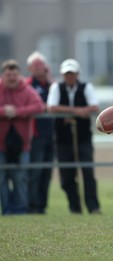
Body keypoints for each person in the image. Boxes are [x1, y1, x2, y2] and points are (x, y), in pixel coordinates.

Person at [47, 58, 101, 214]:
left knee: (88, 173)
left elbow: (94, 105)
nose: (69, 76)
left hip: (83, 137)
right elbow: (51, 107)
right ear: (63, 75)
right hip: (63, 139)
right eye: (66, 74)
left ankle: (93, 207)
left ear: (77, 74)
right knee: (67, 176)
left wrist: (70, 111)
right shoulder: (57, 87)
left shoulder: (86, 87)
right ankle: (74, 207)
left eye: (72, 73)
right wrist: (76, 111)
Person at [0, 59, 45, 215]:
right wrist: (4, 111)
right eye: (8, 74)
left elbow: (39, 106)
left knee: (20, 179)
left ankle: (20, 211)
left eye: (14, 74)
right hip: (1, 145)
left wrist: (18, 112)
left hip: (22, 145)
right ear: (3, 75)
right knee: (2, 180)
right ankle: (7, 210)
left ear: (19, 75)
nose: (11, 77)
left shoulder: (26, 89)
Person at [26, 51, 55, 214]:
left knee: (46, 173)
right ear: (30, 68)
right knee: (35, 173)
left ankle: (42, 206)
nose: (40, 68)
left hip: (51, 135)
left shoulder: (52, 85)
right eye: (36, 65)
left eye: (42, 65)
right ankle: (33, 206)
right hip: (35, 136)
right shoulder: (27, 85)